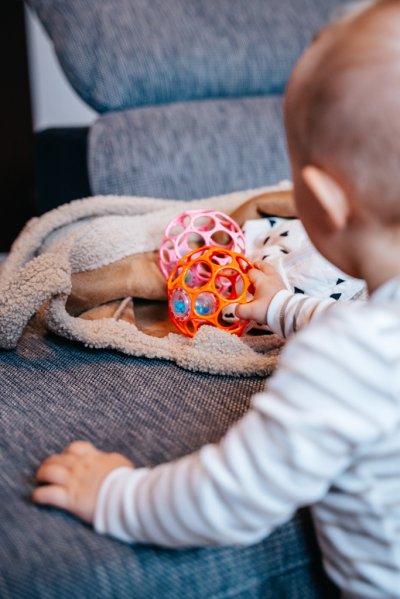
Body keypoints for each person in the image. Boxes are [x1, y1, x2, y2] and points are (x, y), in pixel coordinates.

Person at [31, 1, 400, 596]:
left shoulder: (345, 359)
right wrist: (280, 308)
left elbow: (228, 498)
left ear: (322, 203)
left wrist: (113, 493)